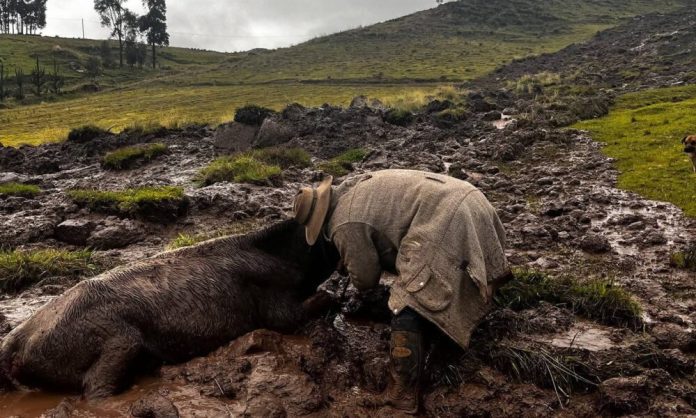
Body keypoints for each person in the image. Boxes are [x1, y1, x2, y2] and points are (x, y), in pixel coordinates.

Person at [293, 169, 511, 414]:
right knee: (433, 278)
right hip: (471, 199)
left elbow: (366, 279)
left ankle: (402, 395)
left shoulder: (342, 223)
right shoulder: (356, 184)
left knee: (406, 303)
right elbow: (383, 225)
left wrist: (351, 262)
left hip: (447, 218)